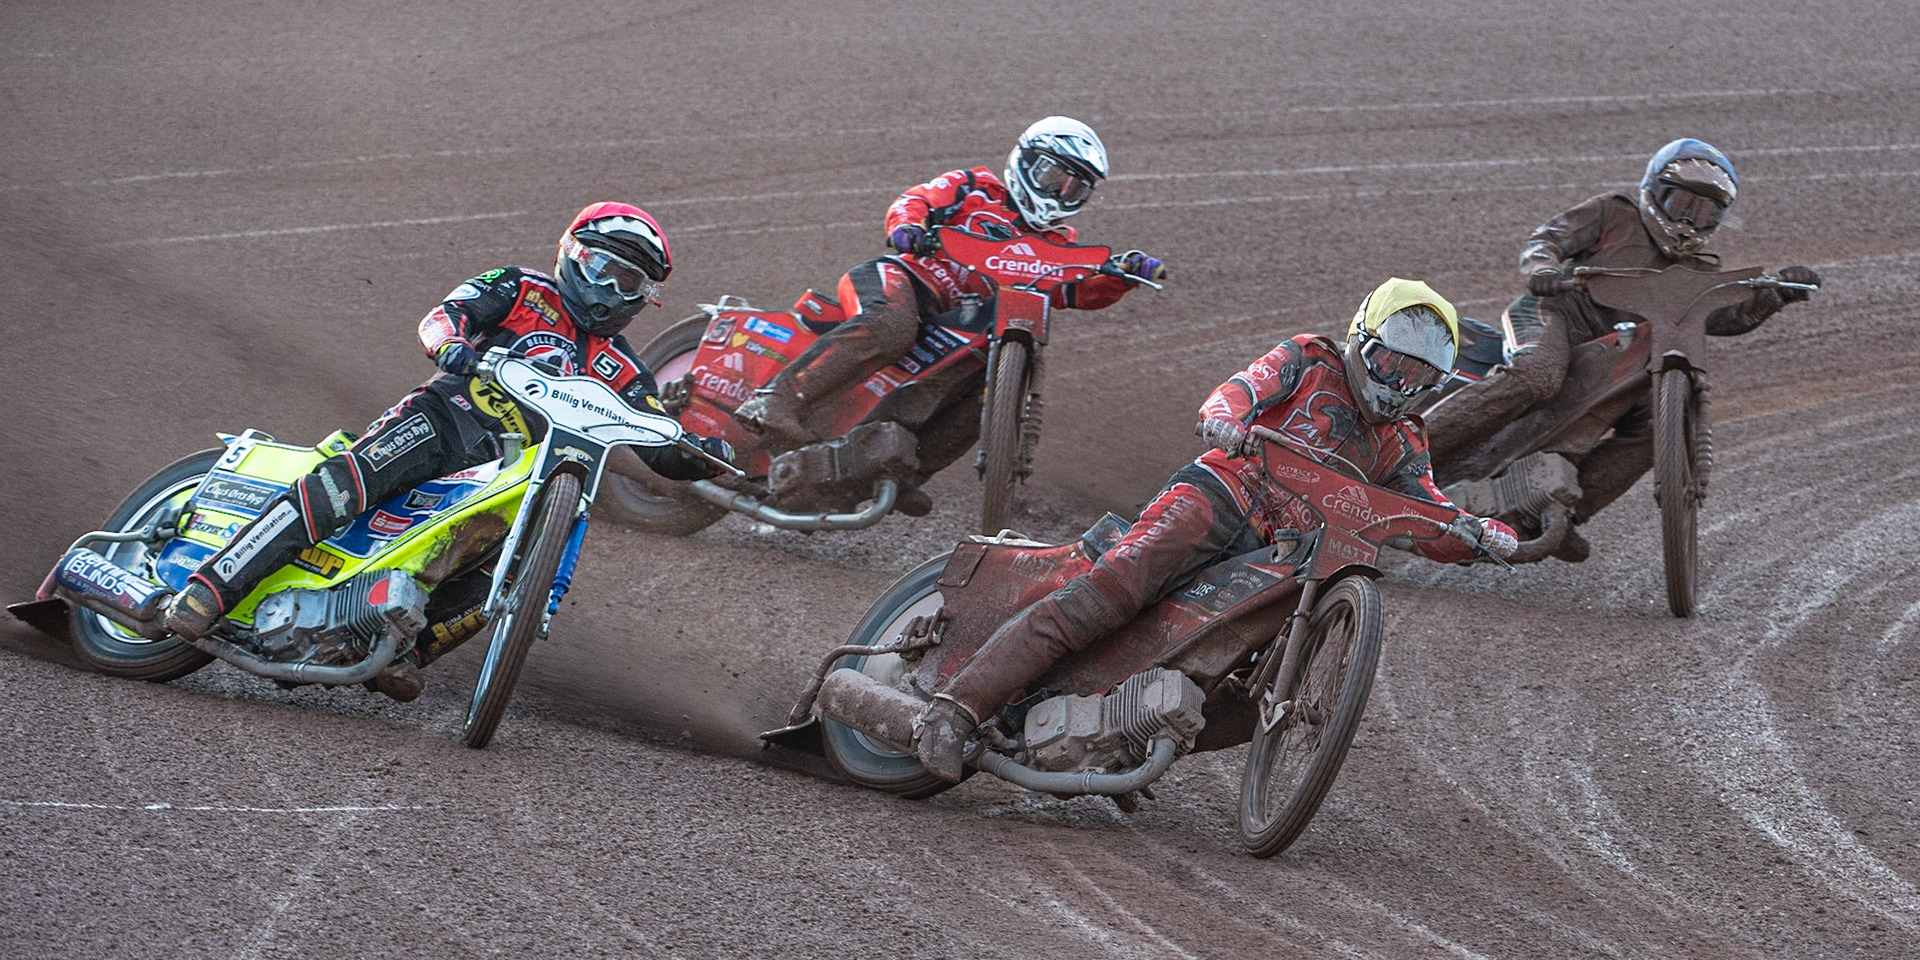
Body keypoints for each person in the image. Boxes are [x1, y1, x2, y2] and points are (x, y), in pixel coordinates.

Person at [911, 278, 1520, 781]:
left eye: (1418, 376)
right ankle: (954, 710)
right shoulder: (1309, 358)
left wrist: (1477, 531)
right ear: (1362, 341)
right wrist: (1226, 421)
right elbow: (1236, 393)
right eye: (1391, 362)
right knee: (1110, 590)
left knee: (1251, 694)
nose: (1400, 384)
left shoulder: (1405, 442)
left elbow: (1429, 513)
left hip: (1282, 558)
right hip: (1219, 495)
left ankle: (1122, 738)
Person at [163, 202, 734, 673]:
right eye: (602, 268)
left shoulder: (627, 369)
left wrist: (703, 456)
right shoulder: (516, 287)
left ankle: (405, 655)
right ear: (572, 256)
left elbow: (659, 441)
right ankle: (211, 588)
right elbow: (443, 315)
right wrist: (453, 346)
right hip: (443, 418)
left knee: (509, 566)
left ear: (646, 294)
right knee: (341, 489)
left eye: (628, 280)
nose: (610, 288)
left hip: (506, 475)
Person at [1421, 138, 1821, 558]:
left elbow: (1722, 317)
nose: (1687, 219)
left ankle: (1562, 512)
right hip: (1559, 315)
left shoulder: (1699, 270)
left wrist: (1774, 295)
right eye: (1680, 202)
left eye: (1703, 211)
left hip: (1627, 356)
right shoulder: (1614, 212)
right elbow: (1547, 237)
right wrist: (1544, 267)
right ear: (1653, 189)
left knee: (1657, 430)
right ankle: (1411, 453)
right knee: (1538, 376)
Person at [731, 116, 1167, 462]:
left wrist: (1119, 276)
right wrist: (907, 227)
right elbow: (914, 201)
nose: (1060, 193)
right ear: (1026, 161)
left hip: (956, 320)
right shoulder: (974, 187)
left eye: (1076, 188)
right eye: (1054, 176)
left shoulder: (1056, 242)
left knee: (985, 383)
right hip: (904, 278)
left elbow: (1073, 289)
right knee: (891, 325)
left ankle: (907, 466)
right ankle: (774, 400)